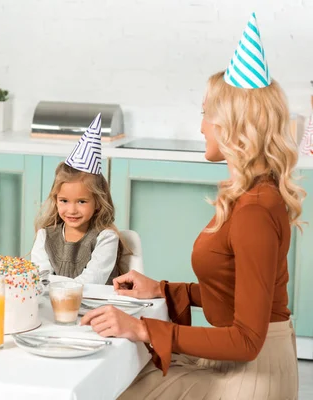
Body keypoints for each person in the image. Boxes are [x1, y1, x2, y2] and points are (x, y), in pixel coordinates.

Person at [80, 13, 303, 399]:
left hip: (252, 375)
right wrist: (165, 290)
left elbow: (248, 339)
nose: (201, 126)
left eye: (205, 114)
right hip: (246, 363)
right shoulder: (254, 195)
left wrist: (143, 328)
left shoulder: (254, 211)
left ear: (231, 124)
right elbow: (240, 291)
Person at [31, 113, 125, 284]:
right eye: (64, 201)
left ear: (98, 202)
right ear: (56, 199)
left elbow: (91, 281)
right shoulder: (45, 236)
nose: (72, 210)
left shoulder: (106, 238)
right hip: (56, 305)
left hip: (98, 308)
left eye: (82, 201)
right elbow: (40, 279)